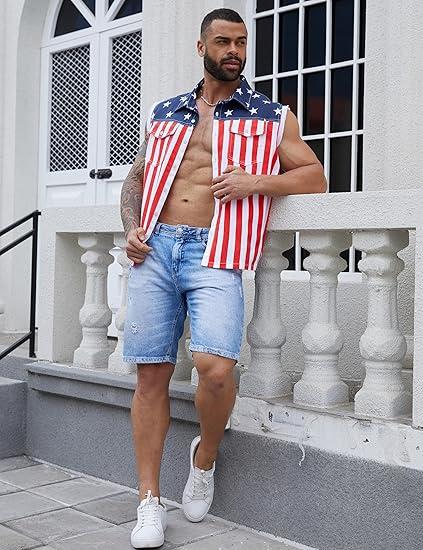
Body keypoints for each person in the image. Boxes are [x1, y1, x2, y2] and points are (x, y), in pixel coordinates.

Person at [120, 7, 326, 549]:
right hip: (156, 249)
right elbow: (137, 179)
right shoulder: (166, 112)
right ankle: (148, 500)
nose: (234, 51)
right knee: (150, 376)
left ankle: (205, 457)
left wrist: (256, 182)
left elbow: (315, 176)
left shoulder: (270, 115)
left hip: (216, 249)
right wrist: (132, 227)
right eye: (223, 42)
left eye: (241, 42)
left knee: (216, 370)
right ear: (201, 47)